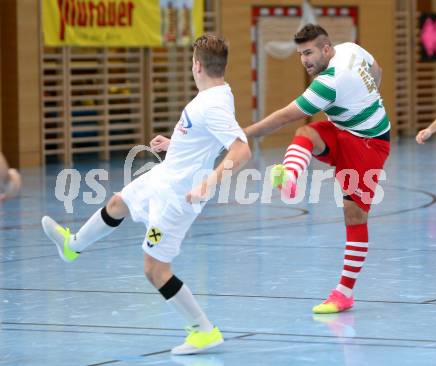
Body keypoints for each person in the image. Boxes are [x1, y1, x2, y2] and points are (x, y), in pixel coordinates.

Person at [41, 34, 251, 354]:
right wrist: (175, 144)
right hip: (163, 177)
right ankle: (73, 246)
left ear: (196, 65)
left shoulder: (212, 105)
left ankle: (203, 330)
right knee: (117, 203)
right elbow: (208, 139)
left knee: (154, 270)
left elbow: (242, 149)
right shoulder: (218, 94)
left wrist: (208, 182)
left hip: (176, 199)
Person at [244, 24, 390, 314]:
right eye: (300, 54)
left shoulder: (330, 82)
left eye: (309, 53)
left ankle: (344, 292)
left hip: (370, 143)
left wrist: (244, 133)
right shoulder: (350, 48)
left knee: (354, 214)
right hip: (345, 130)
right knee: (307, 134)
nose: (304, 60)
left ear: (326, 49)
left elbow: (283, 116)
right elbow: (377, 69)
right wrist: (367, 99)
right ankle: (290, 177)